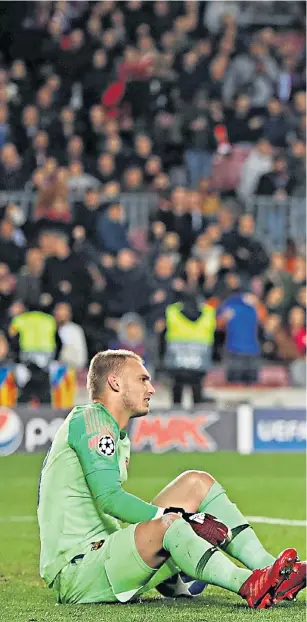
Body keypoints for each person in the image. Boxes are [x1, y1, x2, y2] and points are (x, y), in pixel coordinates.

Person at [38, 350, 305, 607]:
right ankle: (249, 584)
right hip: (78, 569)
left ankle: (274, 571)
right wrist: (185, 519)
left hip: (106, 554)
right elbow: (109, 499)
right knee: (170, 523)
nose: (151, 389)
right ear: (115, 382)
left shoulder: (116, 434)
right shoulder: (92, 420)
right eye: (142, 379)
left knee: (196, 482)